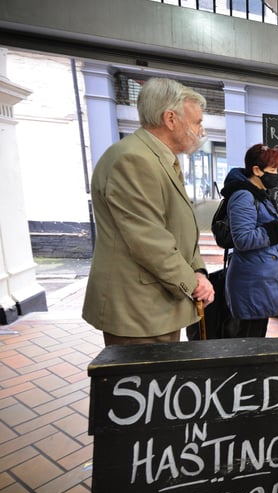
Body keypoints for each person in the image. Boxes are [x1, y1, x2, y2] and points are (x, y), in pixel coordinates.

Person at [83, 78, 215, 346]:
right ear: (170, 119)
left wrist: (198, 271)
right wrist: (192, 282)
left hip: (158, 305)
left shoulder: (160, 157)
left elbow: (178, 228)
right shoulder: (133, 160)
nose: (201, 131)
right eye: (197, 122)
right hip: (138, 311)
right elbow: (149, 240)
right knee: (147, 385)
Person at [223, 144, 278, 338]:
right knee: (249, 342)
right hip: (251, 286)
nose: (276, 174)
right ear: (256, 170)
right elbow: (243, 239)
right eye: (272, 170)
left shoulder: (259, 195)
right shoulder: (243, 196)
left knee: (257, 336)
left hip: (258, 283)